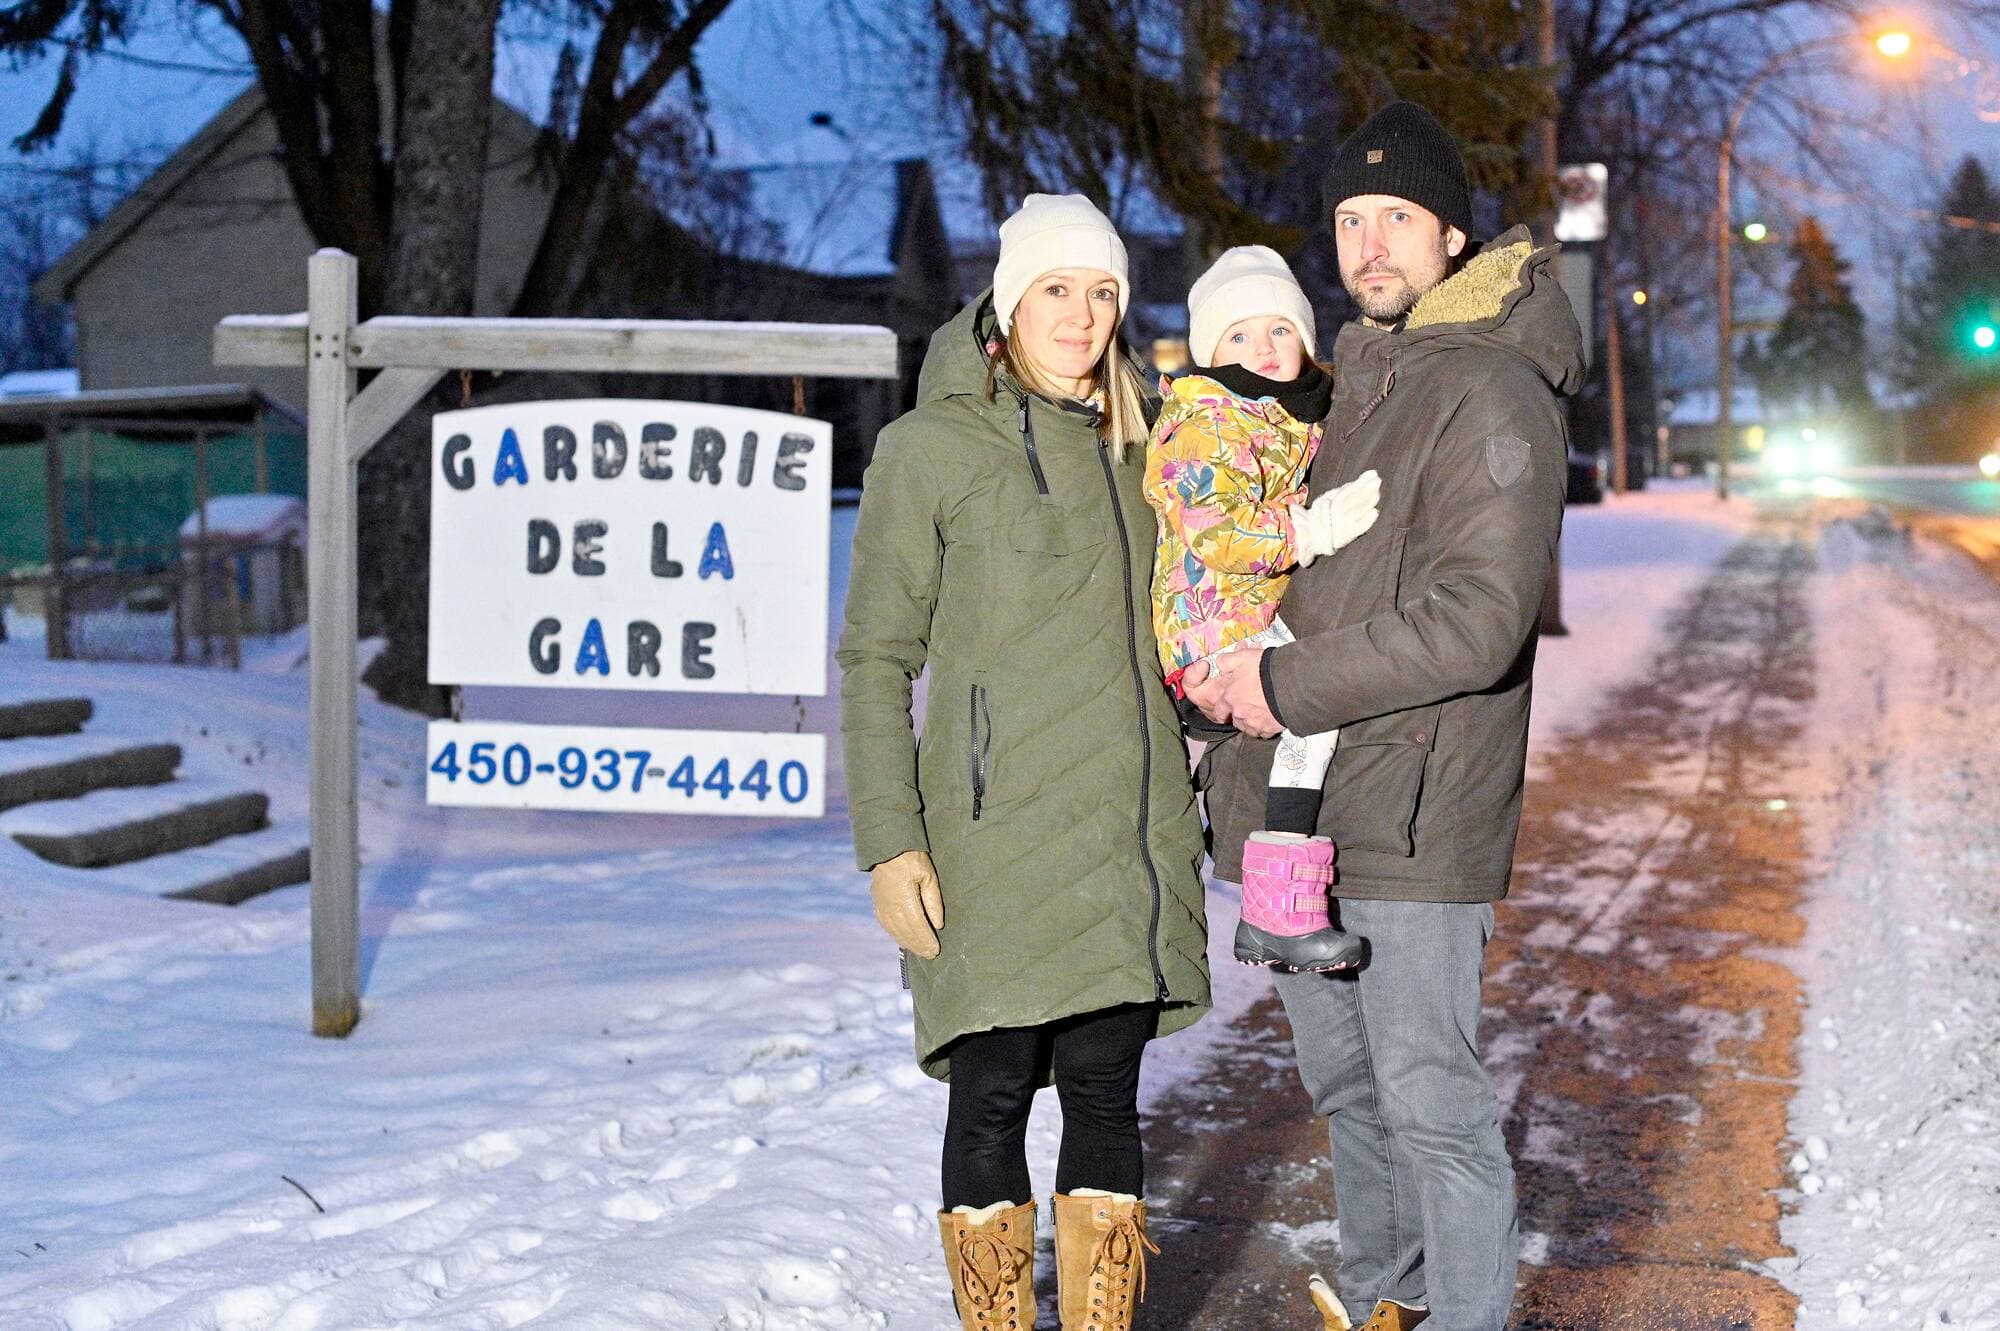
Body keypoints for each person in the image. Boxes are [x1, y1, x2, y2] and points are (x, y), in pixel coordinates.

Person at [1186, 102, 1583, 1331]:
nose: (1367, 244)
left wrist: (1279, 685)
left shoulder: (1492, 392)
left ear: (1451, 236)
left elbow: (1476, 620)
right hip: (1302, 812)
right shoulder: (1349, 380)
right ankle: (1379, 1302)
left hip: (1416, 811)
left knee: (1431, 1101)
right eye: (1349, 220)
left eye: (1394, 218)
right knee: (1347, 1089)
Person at [837, 192, 1210, 1331]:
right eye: (1057, 288)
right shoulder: (928, 449)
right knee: (991, 1093)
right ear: (1007, 300)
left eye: (1102, 292)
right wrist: (888, 840)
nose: (1083, 315)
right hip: (988, 837)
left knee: (1105, 1088)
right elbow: (871, 656)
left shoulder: (1140, 444)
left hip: (1120, 832)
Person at [1142, 244, 1382, 973]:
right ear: (1212, 349)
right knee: (1314, 712)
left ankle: (1271, 900)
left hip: (1247, 613)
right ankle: (1276, 909)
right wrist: (1305, 530)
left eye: (1280, 329)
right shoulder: (1207, 416)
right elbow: (1210, 527)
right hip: (1213, 625)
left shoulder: (1289, 412)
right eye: (1240, 335)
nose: (1265, 348)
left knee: (1313, 718)